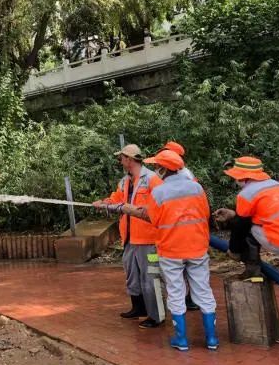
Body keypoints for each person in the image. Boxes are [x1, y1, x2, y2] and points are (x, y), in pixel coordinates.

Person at [214, 157, 279, 353]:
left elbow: (242, 226)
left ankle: (253, 269)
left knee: (247, 227)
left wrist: (234, 250)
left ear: (242, 177)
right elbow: (267, 213)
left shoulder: (246, 193)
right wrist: (235, 215)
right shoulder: (276, 186)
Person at [122, 150, 218, 351]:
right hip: (197, 247)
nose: (156, 170)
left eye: (158, 166)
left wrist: (134, 211)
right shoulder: (196, 188)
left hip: (171, 250)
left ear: (164, 169)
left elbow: (154, 219)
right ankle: (211, 339)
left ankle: (181, 340)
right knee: (203, 290)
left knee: (175, 292)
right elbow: (206, 213)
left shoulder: (159, 192)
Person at [92, 144, 164, 328]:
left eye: (122, 158)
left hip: (149, 240)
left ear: (130, 159)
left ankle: (157, 315)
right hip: (130, 238)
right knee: (132, 275)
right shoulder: (125, 181)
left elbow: (161, 206)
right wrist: (104, 203)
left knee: (151, 277)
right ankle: (138, 308)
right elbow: (116, 199)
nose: (120, 161)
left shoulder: (152, 179)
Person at [158, 141, 201, 312]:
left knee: (183, 267)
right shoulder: (182, 174)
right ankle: (188, 298)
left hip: (180, 227)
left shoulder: (184, 175)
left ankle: (188, 299)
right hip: (184, 225)